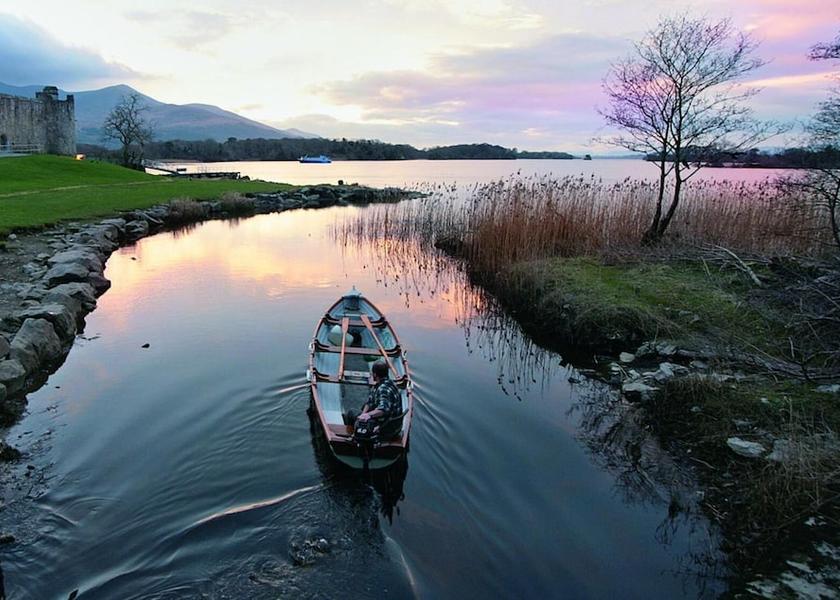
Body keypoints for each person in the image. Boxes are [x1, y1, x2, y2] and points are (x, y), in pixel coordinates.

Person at [346, 359, 402, 435]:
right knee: (364, 407)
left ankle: (351, 435)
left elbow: (383, 409)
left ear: (375, 374)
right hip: (391, 423)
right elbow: (370, 402)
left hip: (385, 427)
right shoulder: (390, 383)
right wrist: (363, 415)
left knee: (351, 413)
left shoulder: (383, 389)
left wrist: (368, 415)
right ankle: (357, 429)